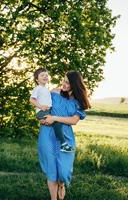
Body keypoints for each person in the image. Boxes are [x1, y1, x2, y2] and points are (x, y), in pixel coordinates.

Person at [37, 71, 91, 200]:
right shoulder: (54, 93)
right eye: (63, 80)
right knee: (51, 171)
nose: (64, 84)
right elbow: (43, 109)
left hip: (65, 137)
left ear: (75, 84)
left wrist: (54, 117)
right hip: (47, 133)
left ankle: (61, 185)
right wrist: (41, 118)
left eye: (67, 82)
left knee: (63, 171)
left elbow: (74, 120)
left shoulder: (78, 101)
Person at [30, 68, 74, 152]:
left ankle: (62, 143)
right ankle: (63, 144)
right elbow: (31, 100)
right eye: (42, 75)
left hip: (46, 111)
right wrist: (40, 106)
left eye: (46, 75)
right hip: (42, 111)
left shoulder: (46, 89)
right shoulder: (38, 88)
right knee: (57, 123)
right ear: (37, 79)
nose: (45, 76)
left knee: (56, 124)